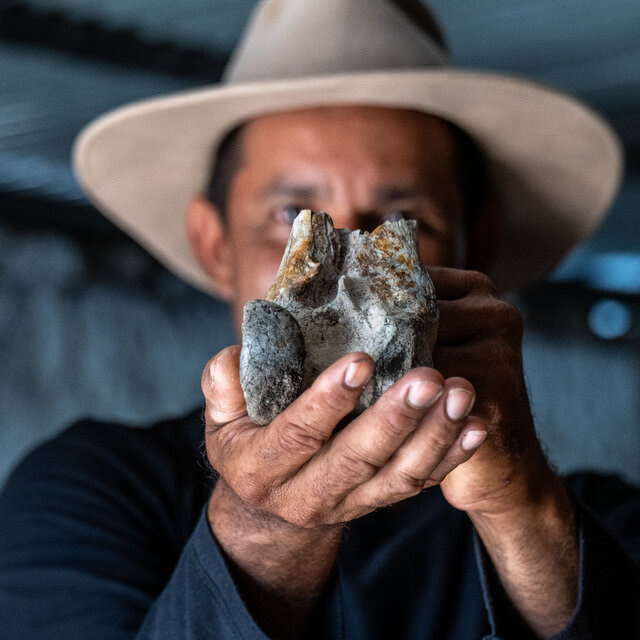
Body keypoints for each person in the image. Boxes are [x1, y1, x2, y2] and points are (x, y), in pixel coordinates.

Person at [0, 1, 638, 639]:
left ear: (478, 246)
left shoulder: (601, 524)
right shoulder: (89, 494)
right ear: (215, 244)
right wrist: (264, 528)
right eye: (293, 217)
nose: (345, 261)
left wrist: (524, 511)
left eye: (399, 223)